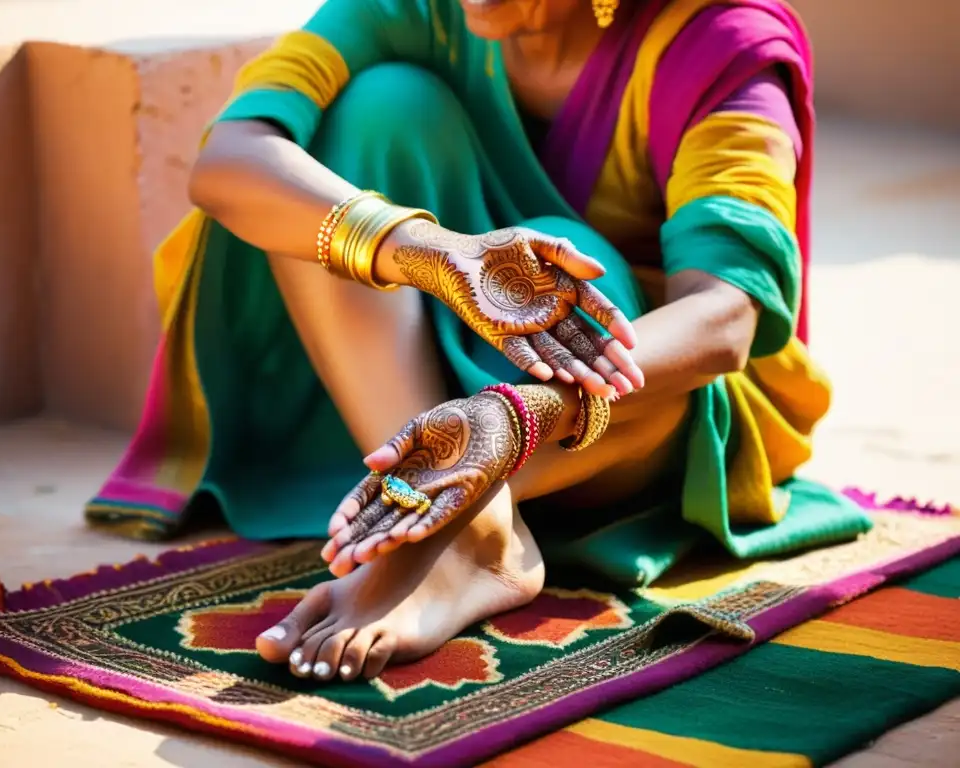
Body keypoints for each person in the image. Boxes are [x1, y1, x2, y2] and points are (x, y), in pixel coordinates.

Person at [87, 0, 873, 684]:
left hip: (637, 408)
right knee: (369, 117)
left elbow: (725, 320)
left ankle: (453, 517)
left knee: (561, 258)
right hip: (426, 391)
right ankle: (461, 533)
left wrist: (512, 420)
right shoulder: (420, 7)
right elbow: (231, 155)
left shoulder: (719, 44)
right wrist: (436, 254)